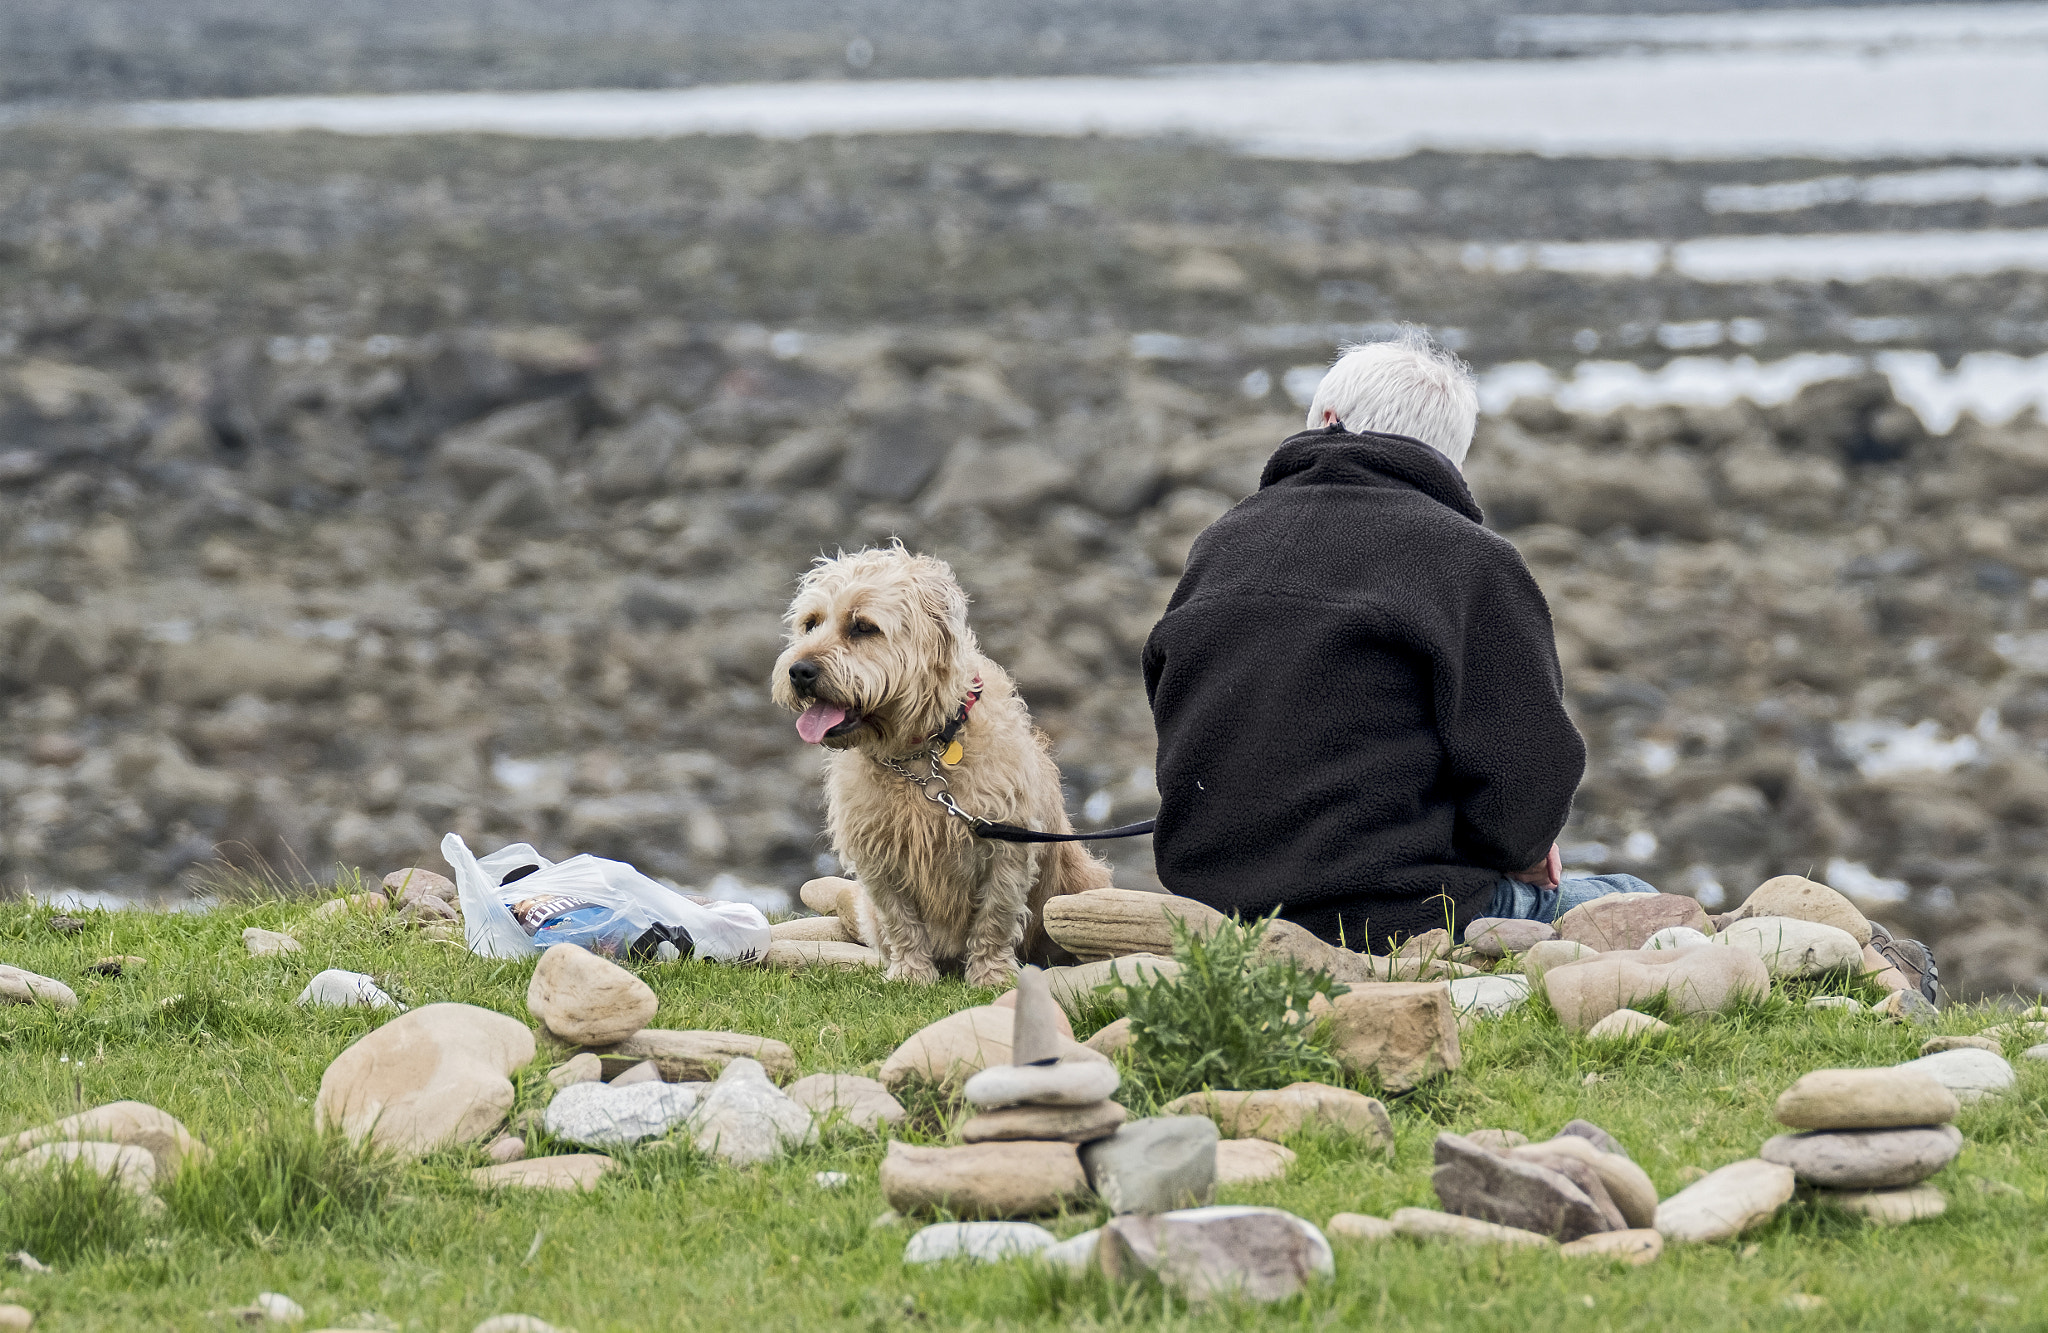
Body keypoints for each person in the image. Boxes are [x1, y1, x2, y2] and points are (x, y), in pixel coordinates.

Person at [1141, 329, 1651, 952]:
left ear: (1328, 420)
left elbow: (1177, 711)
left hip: (1220, 916)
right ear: (1448, 455)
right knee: (1636, 899)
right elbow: (1528, 772)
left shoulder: (1219, 545)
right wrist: (1519, 850)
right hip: (1399, 912)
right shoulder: (1471, 563)